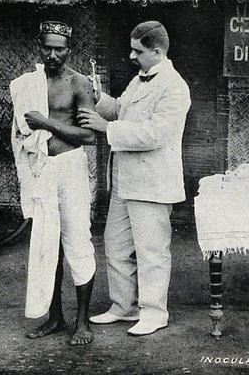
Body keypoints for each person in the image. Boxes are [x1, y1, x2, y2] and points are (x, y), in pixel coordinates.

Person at [77, 21, 191, 336]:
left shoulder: (174, 87)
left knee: (151, 251)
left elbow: (155, 134)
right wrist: (99, 98)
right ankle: (123, 307)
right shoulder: (140, 80)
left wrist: (105, 128)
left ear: (157, 51)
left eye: (137, 51)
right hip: (125, 182)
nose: (131, 56)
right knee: (115, 247)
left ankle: (154, 313)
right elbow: (121, 110)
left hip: (153, 185)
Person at [10, 20, 97, 345]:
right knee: (48, 246)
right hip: (42, 170)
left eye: (59, 48)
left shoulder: (79, 83)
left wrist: (46, 122)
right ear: (39, 45)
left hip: (70, 168)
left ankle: (82, 322)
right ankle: (55, 317)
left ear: (69, 49)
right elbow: (21, 130)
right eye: (47, 47)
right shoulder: (28, 84)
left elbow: (89, 135)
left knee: (77, 242)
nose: (52, 54)